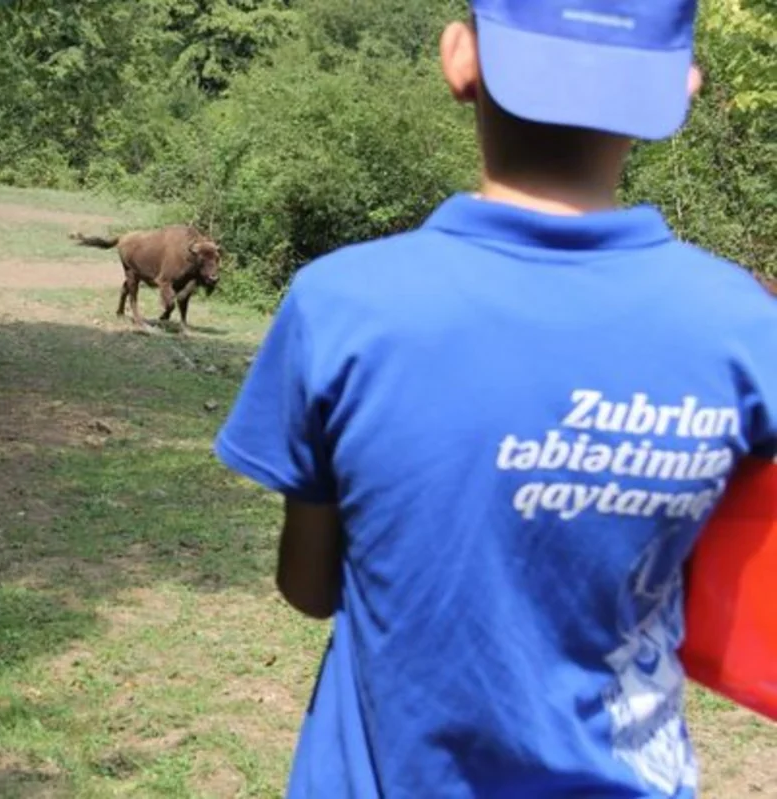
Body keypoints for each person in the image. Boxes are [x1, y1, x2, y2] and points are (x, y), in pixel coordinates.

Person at [212, 1, 777, 796]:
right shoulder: (747, 330)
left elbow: (310, 587)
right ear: (682, 90)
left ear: (459, 60)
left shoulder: (340, 304)